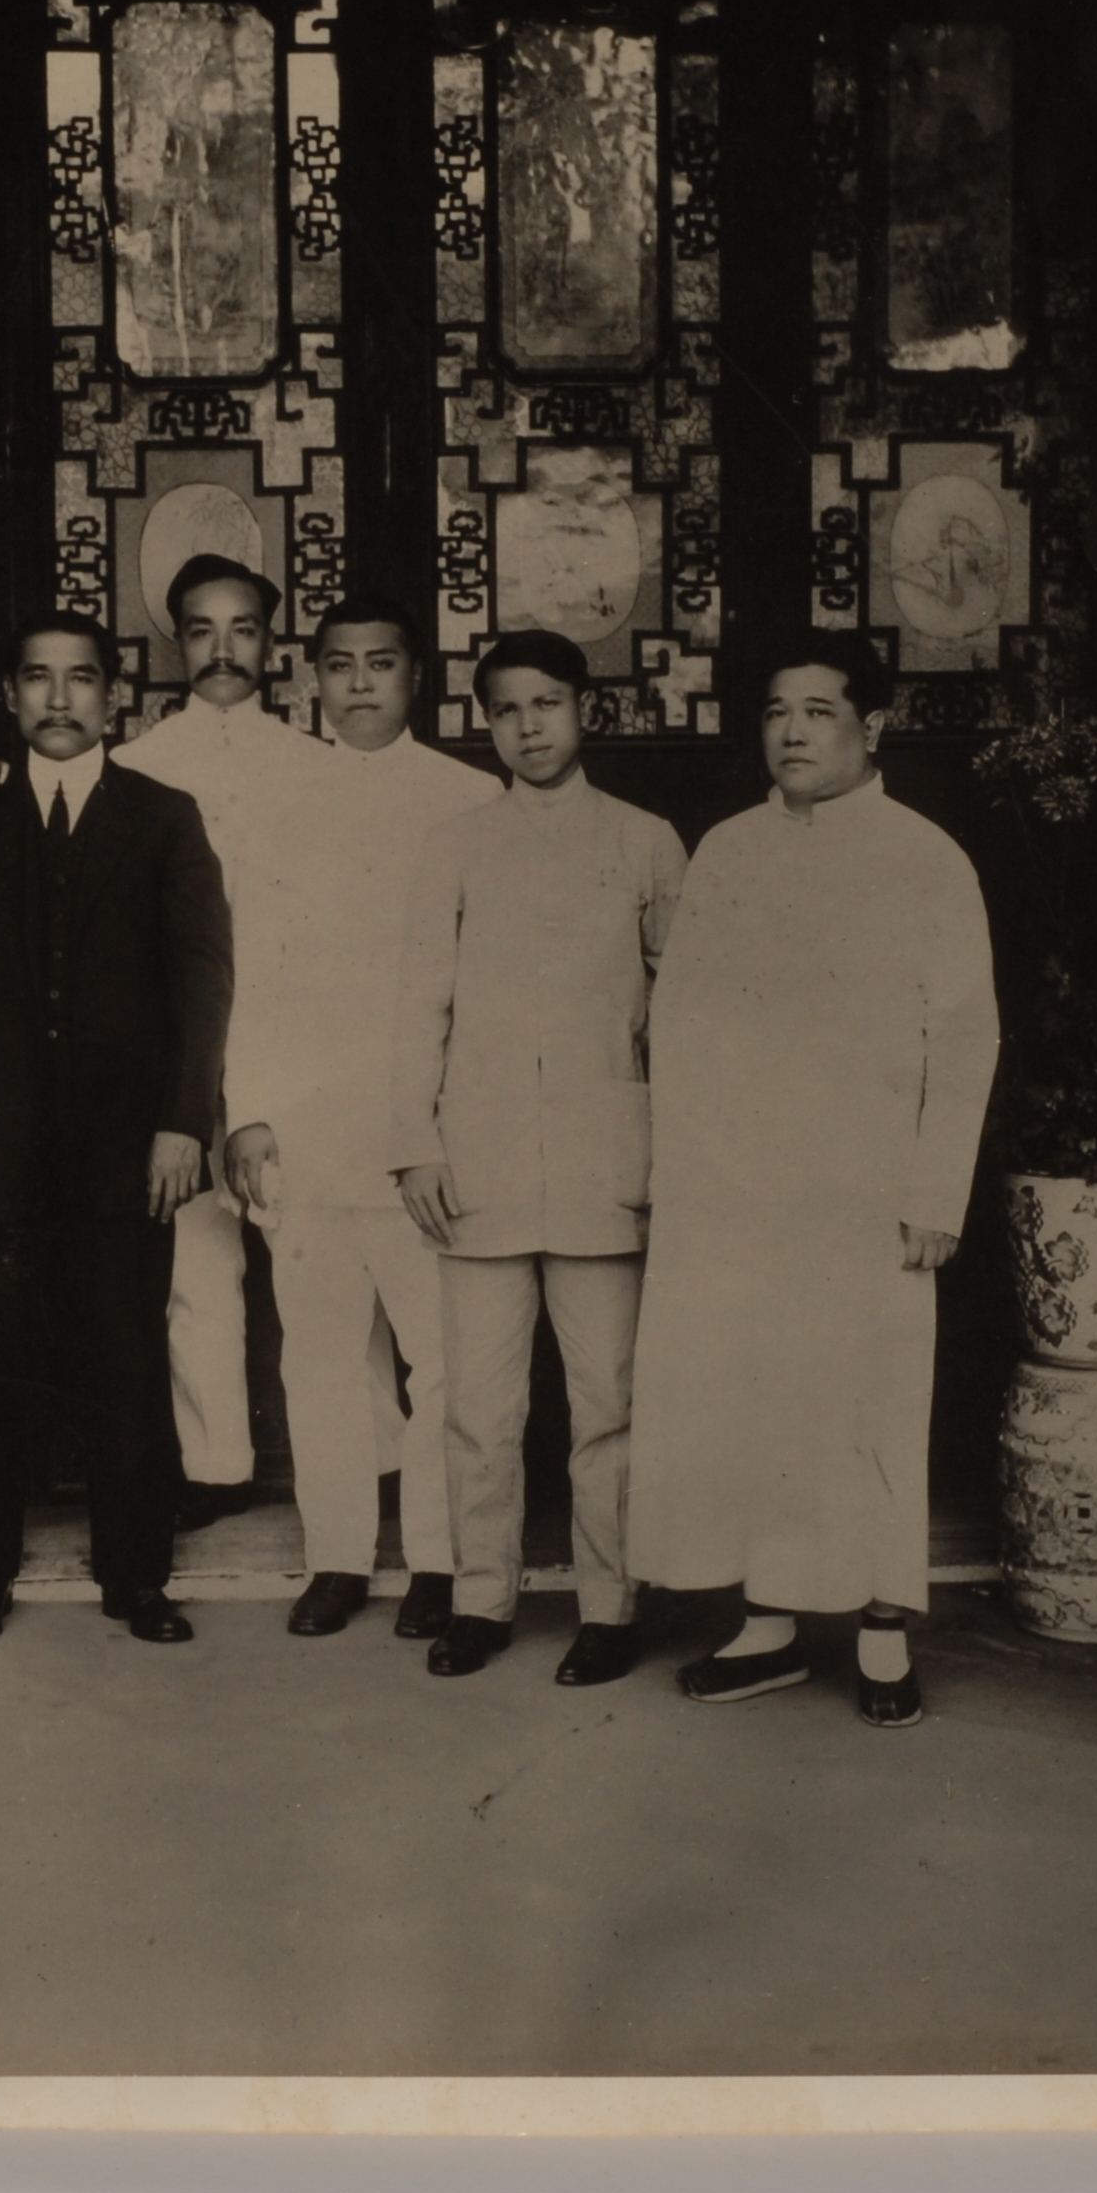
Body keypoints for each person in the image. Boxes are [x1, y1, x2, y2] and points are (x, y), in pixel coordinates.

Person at [630, 631, 1000, 1730]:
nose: (791, 733)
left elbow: (963, 1035)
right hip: (735, 1190)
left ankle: (882, 1630)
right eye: (776, 712)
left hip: (862, 1192)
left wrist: (934, 1195)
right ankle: (769, 1624)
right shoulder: (728, 851)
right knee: (750, 1398)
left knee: (866, 1400)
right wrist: (683, 1176)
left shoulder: (925, 857)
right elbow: (680, 1025)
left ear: (871, 727)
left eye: (818, 712)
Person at [0, 612, 235, 1647]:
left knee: (125, 1354)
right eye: (38, 679)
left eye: (80, 678)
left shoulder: (163, 814)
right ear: (9, 696)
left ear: (112, 696)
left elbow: (203, 981)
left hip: (126, 1146)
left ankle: (136, 1577)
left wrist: (183, 1124)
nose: (59, 699)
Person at [390, 628, 685, 1686]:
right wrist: (414, 1147)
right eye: (506, 710)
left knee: (609, 1402)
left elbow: (685, 1015)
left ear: (583, 711)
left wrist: (674, 1157)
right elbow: (417, 1007)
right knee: (479, 1406)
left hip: (609, 1163)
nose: (528, 727)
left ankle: (611, 1606)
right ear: (487, 724)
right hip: (478, 1165)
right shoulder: (454, 845)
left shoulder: (646, 842)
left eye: (546, 704)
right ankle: (481, 1599)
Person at [214, 598, 496, 1638]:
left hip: (427, 1133)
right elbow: (249, 969)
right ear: (313, 680)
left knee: (442, 1356)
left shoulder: (471, 799)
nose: (361, 683)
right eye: (340, 665)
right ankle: (335, 1555)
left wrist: (455, 1125)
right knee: (321, 1354)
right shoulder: (273, 802)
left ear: (418, 675)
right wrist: (249, 1112)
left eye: (382, 663)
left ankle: (437, 1560)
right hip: (308, 1122)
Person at [105, 552, 339, 1528]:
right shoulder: (138, 766)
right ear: (175, 644)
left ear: (272, 643)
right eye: (201, 630)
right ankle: (215, 1469)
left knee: (323, 1265)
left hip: (298, 1041)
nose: (223, 649)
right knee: (195, 1268)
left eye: (242, 628)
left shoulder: (316, 766)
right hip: (184, 1047)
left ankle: (357, 1476)